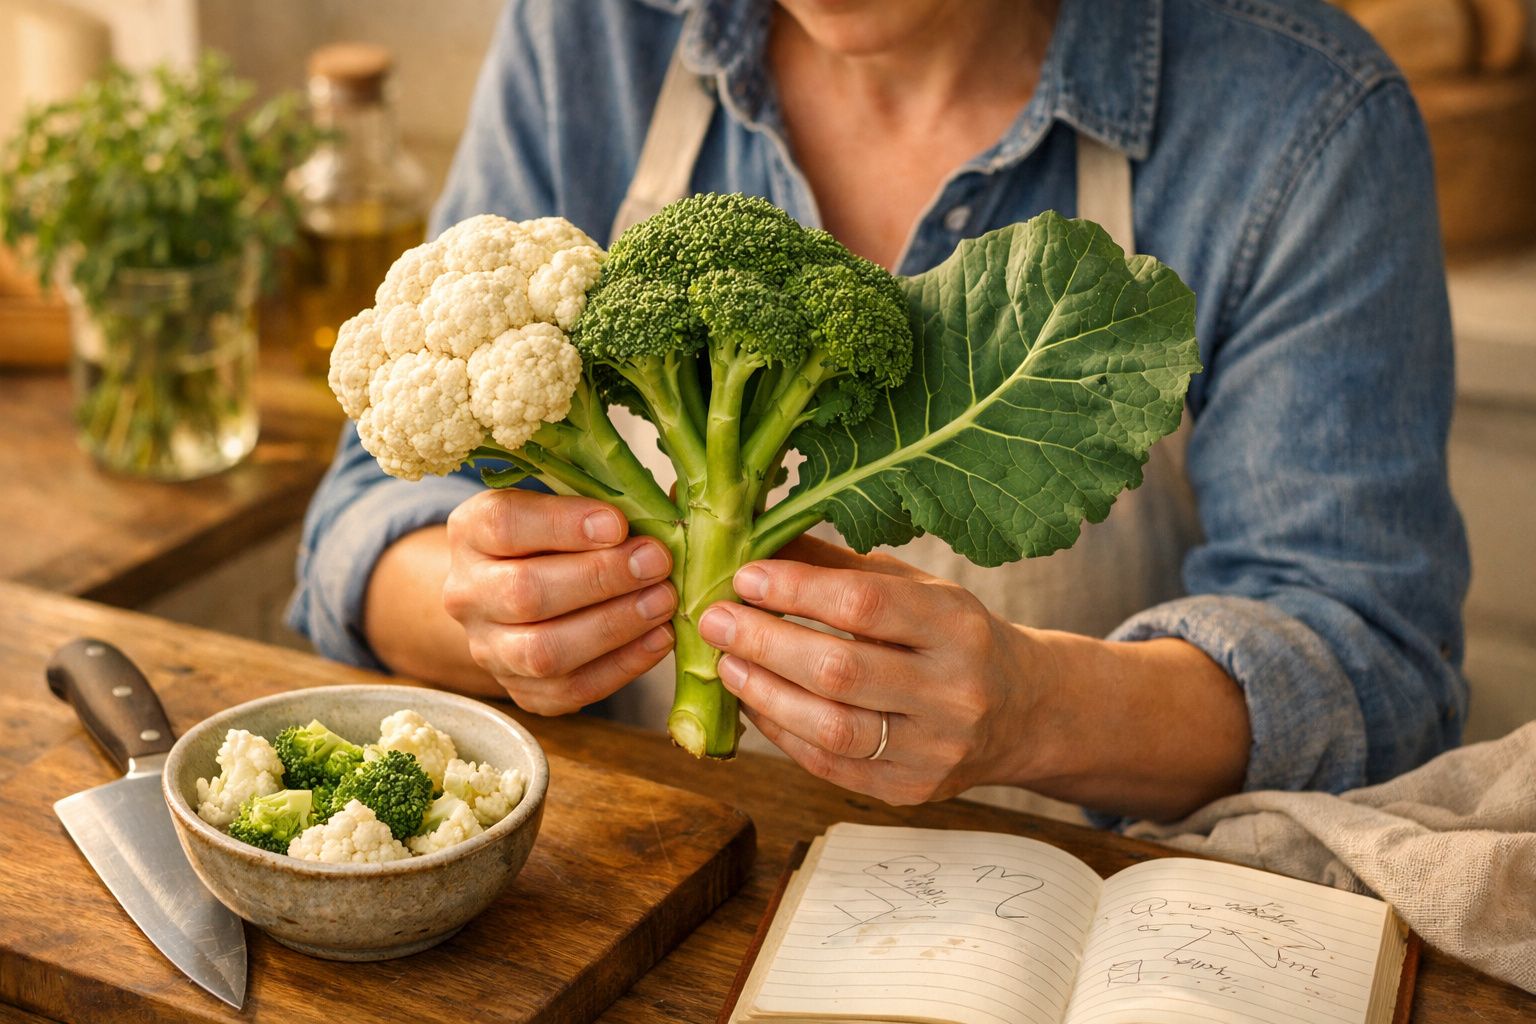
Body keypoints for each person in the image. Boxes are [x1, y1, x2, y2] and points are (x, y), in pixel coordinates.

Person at [288, 0, 1469, 826]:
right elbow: (359, 527)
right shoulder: (589, 31)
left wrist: (1038, 711)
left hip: (1083, 924)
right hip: (648, 868)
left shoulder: (1304, 118)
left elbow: (1377, 666)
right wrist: (484, 614)